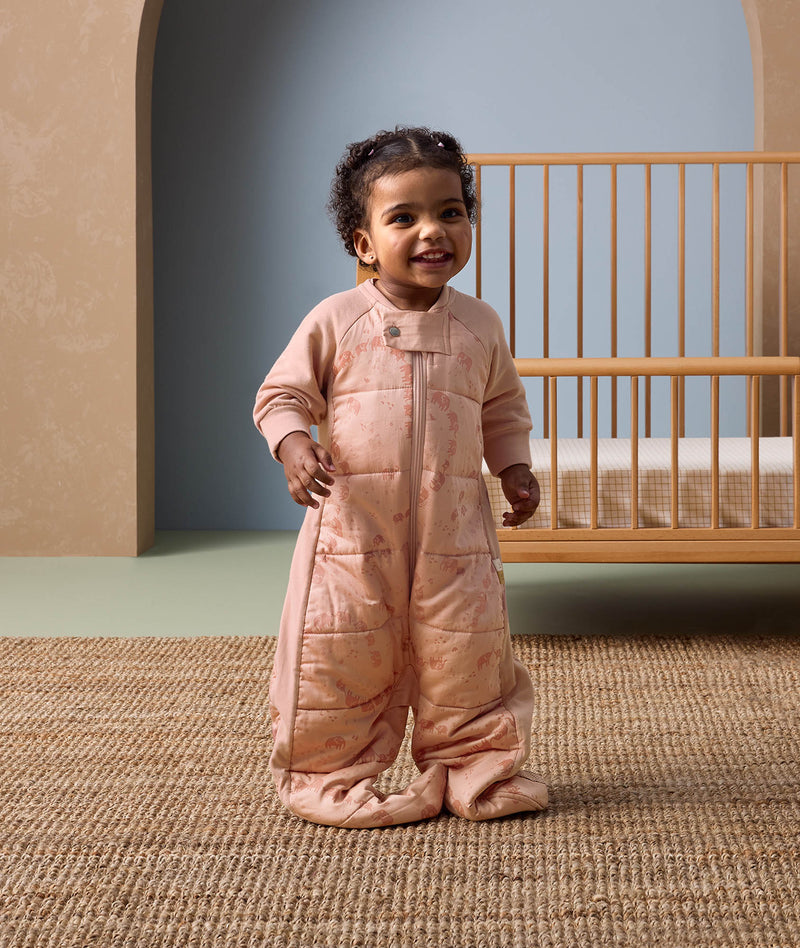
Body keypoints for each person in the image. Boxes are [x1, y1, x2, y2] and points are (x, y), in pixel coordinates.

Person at [253, 126, 548, 828]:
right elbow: (282, 396)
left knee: (466, 653)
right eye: (404, 217)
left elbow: (501, 405)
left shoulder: (479, 326)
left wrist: (514, 468)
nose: (431, 232)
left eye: (450, 212)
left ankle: (474, 768)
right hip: (354, 535)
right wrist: (294, 446)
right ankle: (328, 771)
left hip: (455, 534)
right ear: (364, 243)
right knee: (340, 653)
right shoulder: (338, 320)